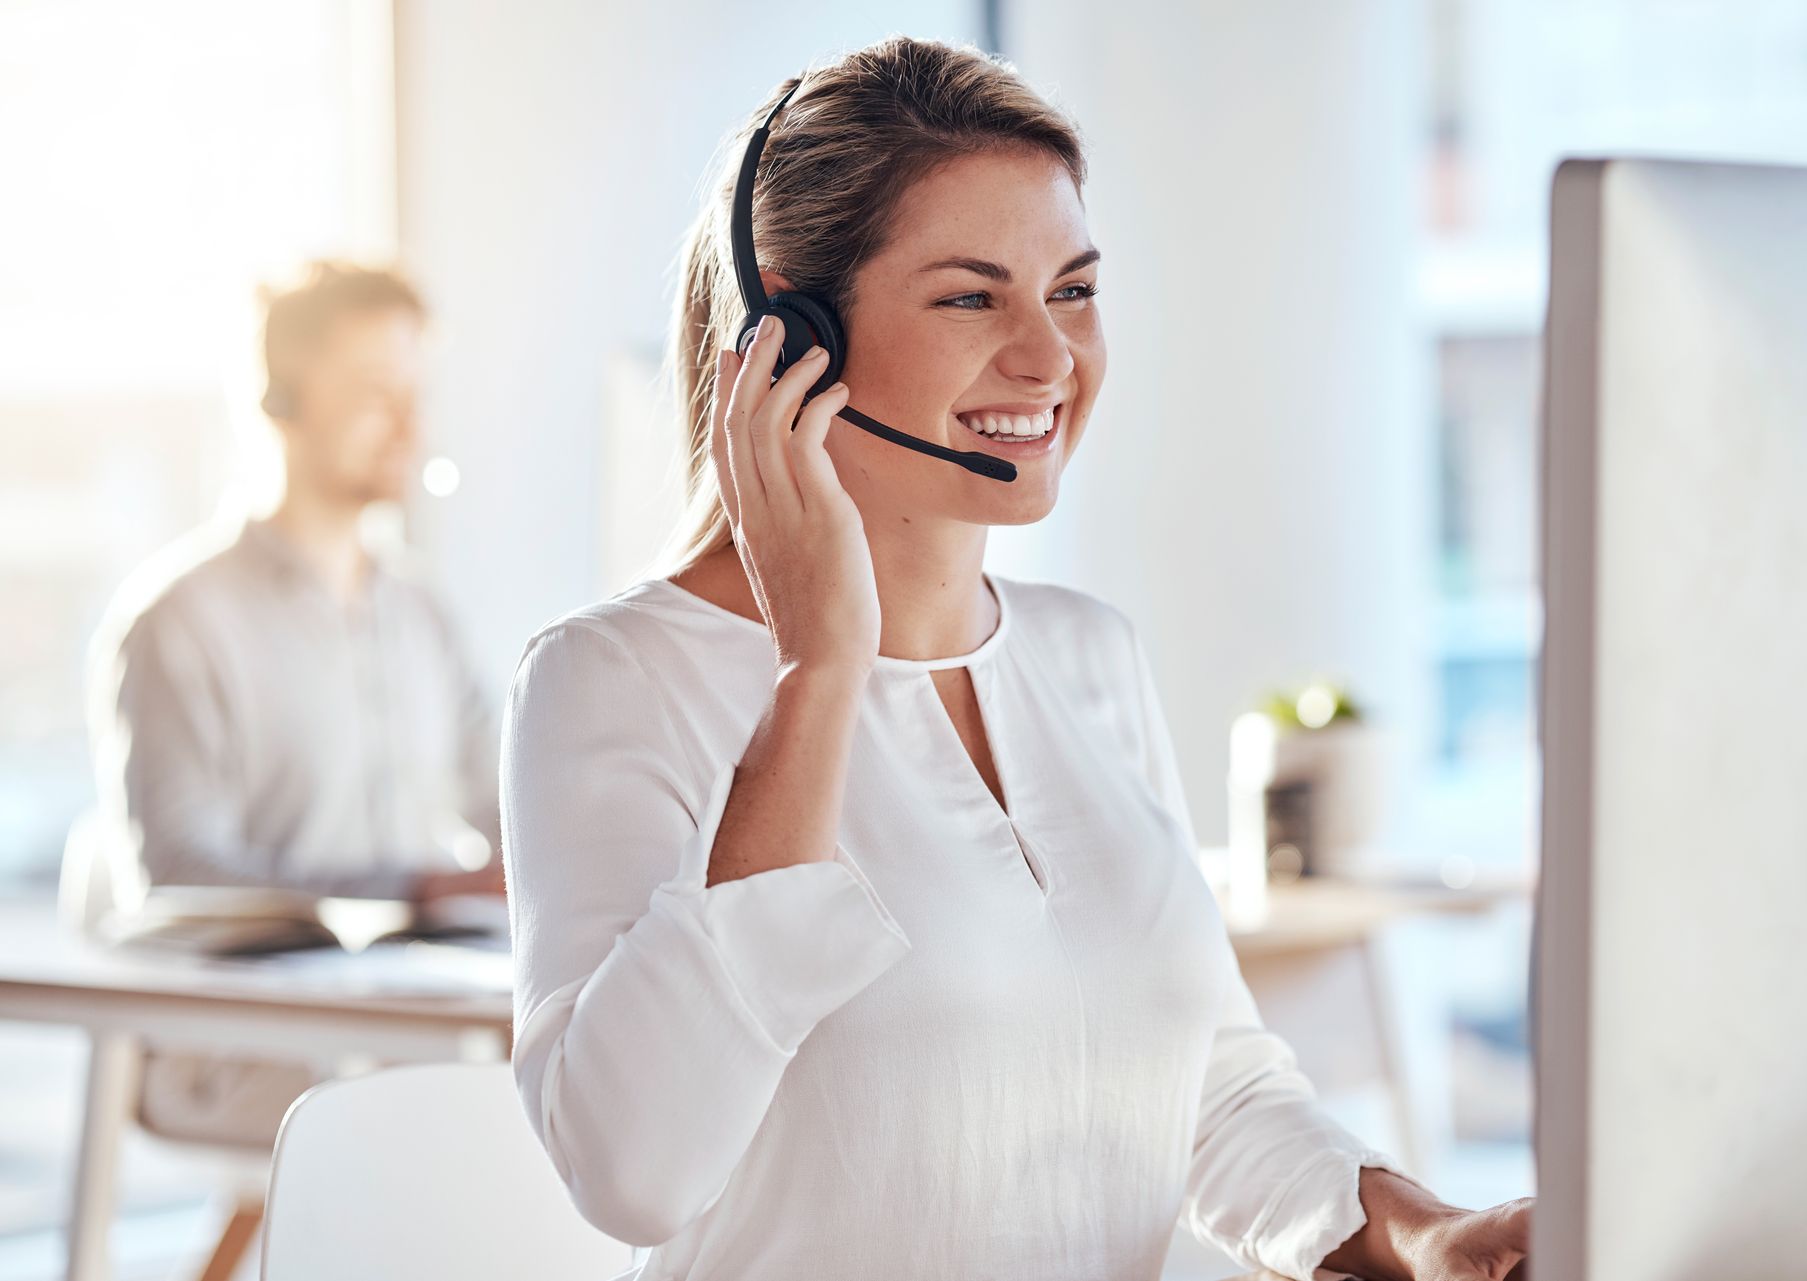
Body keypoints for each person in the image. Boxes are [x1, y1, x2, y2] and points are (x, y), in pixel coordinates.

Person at [502, 38, 1532, 1281]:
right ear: (790, 336)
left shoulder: (1088, 657)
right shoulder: (612, 682)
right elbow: (633, 1171)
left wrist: (1432, 1236)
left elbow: (1205, 1085)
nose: (1050, 360)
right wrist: (820, 673)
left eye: (1075, 290)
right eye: (971, 296)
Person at [85, 260, 505, 1150]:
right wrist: (415, 886)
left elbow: (506, 807)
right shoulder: (179, 620)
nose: (409, 424)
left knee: (578, 1083)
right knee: (479, 1130)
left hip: (402, 1018)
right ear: (280, 400)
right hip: (244, 1038)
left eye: (414, 392)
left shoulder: (423, 614)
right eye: (374, 393)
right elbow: (179, 870)